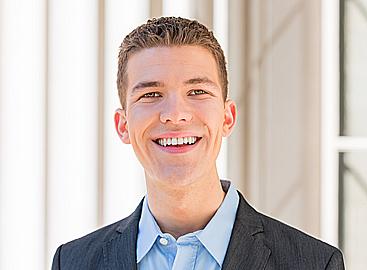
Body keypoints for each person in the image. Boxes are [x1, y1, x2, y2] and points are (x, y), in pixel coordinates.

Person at [52, 17, 345, 269]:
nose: (175, 115)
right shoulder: (74, 261)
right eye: (151, 95)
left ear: (227, 118)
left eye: (197, 91)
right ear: (123, 125)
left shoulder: (314, 263)